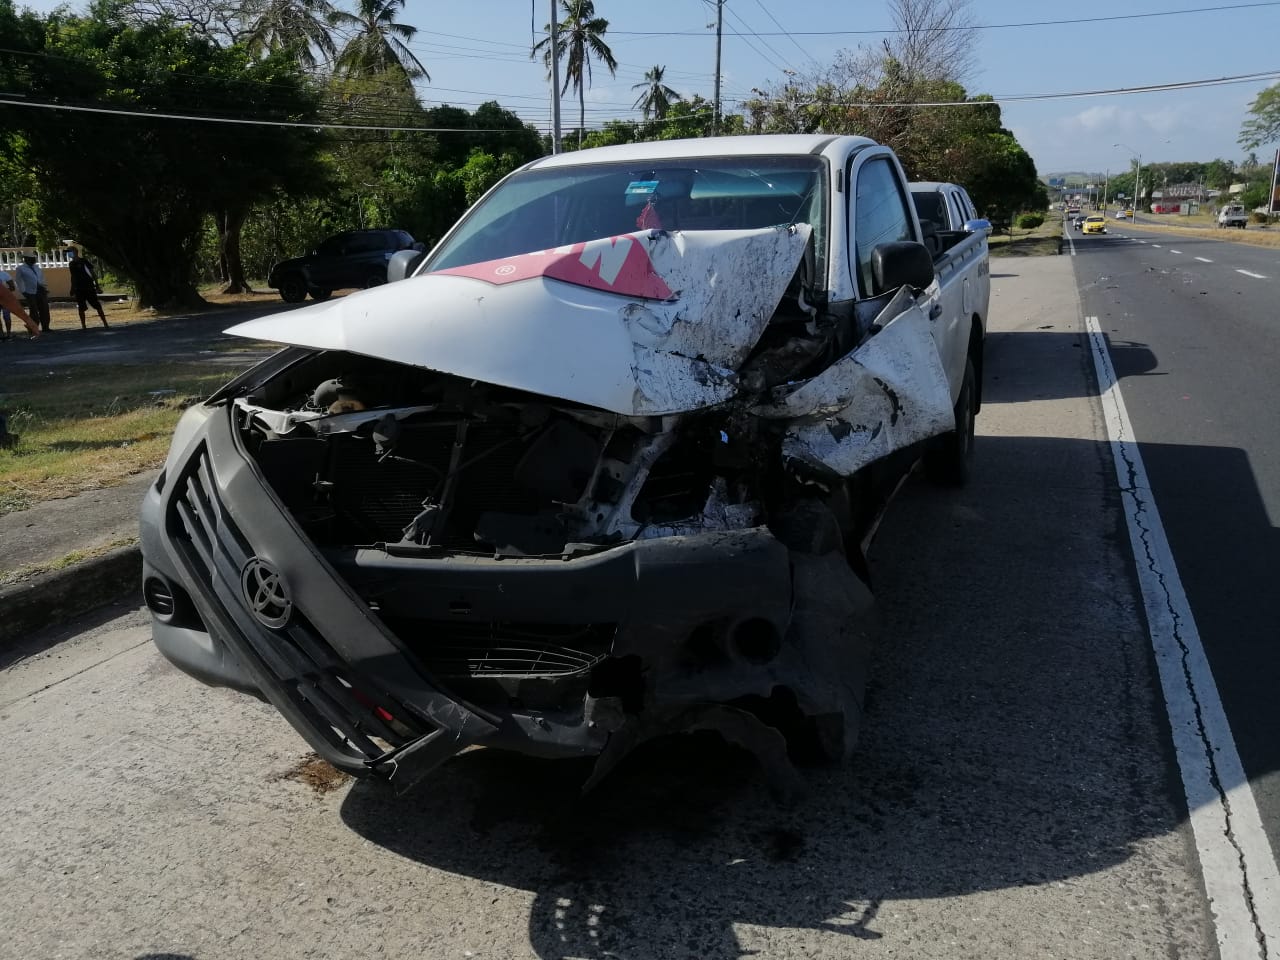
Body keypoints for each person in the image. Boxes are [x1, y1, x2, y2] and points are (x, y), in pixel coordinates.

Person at [66, 248, 108, 329]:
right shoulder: (71, 264)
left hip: (89, 287)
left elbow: (92, 273)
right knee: (81, 307)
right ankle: (83, 325)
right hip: (78, 288)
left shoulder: (84, 261)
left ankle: (105, 323)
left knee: (97, 305)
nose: (68, 254)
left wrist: (97, 285)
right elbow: (73, 277)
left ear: (75, 252)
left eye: (69, 252)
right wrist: (72, 288)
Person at [14, 252, 51, 333]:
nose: (34, 260)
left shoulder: (37, 267)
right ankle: (34, 328)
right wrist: (23, 291)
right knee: (33, 311)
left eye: (34, 258)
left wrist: (44, 287)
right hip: (30, 292)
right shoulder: (20, 268)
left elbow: (41, 278)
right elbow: (18, 281)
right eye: (32, 258)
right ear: (26, 259)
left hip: (41, 290)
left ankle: (46, 327)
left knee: (44, 309)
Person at [0, 273, 39, 338]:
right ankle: (1, 334)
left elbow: (12, 287)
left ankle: (8, 333)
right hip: (6, 297)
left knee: (11, 316)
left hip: (6, 298)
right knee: (22, 314)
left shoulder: (4, 274)